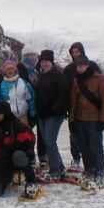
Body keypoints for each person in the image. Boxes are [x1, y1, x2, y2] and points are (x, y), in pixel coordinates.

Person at [0, 101, 38, 199]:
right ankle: (7, 179)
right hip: (1, 163)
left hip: (15, 159)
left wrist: (9, 150)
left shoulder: (15, 125)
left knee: (19, 155)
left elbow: (25, 143)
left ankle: (31, 181)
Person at [68, 55, 104, 188]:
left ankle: (99, 172)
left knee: (96, 147)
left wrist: (103, 120)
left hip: (94, 120)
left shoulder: (100, 79)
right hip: (80, 119)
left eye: (82, 66)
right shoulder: (76, 81)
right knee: (84, 147)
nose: (79, 68)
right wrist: (72, 120)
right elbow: (73, 102)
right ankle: (89, 170)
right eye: (77, 66)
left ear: (87, 65)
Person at [63, 42, 101, 170]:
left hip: (91, 109)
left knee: (91, 138)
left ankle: (95, 164)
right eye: (73, 52)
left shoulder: (92, 65)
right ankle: (76, 158)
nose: (75, 54)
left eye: (77, 51)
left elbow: (100, 85)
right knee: (74, 135)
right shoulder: (68, 69)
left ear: (82, 51)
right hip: (73, 107)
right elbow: (65, 88)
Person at [35, 49, 67, 180]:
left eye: (47, 61)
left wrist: (55, 108)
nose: (44, 64)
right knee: (48, 141)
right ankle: (59, 167)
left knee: (49, 141)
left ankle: (55, 171)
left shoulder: (58, 75)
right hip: (42, 114)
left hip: (54, 114)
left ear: (52, 62)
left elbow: (63, 94)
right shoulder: (41, 75)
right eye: (42, 61)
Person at [0, 60, 37, 125]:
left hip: (23, 118)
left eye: (12, 68)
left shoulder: (24, 83)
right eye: (7, 69)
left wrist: (33, 114)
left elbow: (31, 100)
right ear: (5, 72)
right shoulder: (0, 86)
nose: (10, 71)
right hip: (8, 119)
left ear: (15, 70)